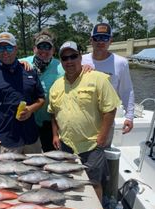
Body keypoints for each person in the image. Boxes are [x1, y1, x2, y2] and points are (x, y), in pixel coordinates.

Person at [48, 41, 121, 200]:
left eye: (73, 56)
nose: (69, 61)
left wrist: (103, 136)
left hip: (91, 145)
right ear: (61, 61)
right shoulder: (56, 85)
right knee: (67, 180)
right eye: (65, 58)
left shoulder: (97, 78)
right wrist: (55, 135)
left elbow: (110, 109)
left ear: (80, 57)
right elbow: (52, 113)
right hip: (66, 144)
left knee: (94, 183)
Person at [0, 32, 45, 154]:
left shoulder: (29, 71)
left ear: (15, 48)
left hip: (31, 139)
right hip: (6, 141)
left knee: (35, 172)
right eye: (0, 48)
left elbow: (41, 99)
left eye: (8, 47)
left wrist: (31, 109)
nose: (5, 52)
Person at [82, 23, 135, 141]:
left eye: (105, 38)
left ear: (111, 40)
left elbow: (127, 90)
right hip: (83, 119)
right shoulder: (80, 60)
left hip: (107, 120)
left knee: (103, 153)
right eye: (97, 38)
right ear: (91, 40)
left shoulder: (121, 63)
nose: (101, 42)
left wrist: (129, 116)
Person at [20, 29, 64, 152]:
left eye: (47, 47)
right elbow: (2, 67)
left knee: (51, 157)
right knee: (30, 158)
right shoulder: (22, 63)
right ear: (34, 49)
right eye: (40, 47)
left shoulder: (61, 66)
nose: (44, 51)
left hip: (50, 121)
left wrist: (88, 67)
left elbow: (77, 70)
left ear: (53, 50)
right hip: (28, 120)